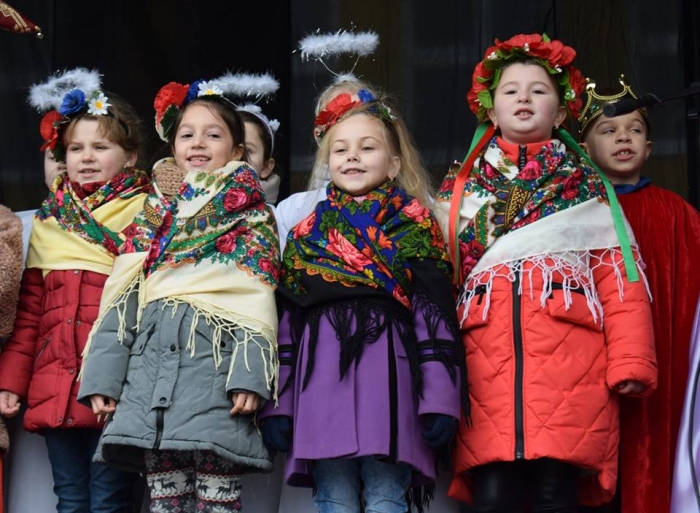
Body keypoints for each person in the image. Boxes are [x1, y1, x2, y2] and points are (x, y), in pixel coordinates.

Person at [434, 33, 658, 512]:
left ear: (560, 113)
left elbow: (620, 281)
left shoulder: (588, 190)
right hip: (484, 369)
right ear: (490, 112)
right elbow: (438, 281)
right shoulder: (458, 193)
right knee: (493, 495)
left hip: (572, 370)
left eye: (538, 90)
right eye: (511, 90)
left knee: (557, 494)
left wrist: (632, 361)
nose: (523, 98)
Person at [77, 78, 280, 513]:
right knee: (166, 501)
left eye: (213, 134)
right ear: (173, 146)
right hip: (151, 379)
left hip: (215, 381)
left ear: (238, 152)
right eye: (187, 134)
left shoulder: (251, 214)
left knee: (217, 502)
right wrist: (103, 378)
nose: (198, 143)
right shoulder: (152, 214)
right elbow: (123, 299)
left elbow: (254, 299)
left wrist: (250, 377)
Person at [259, 90, 464, 513]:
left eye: (367, 148)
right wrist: (279, 403)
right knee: (333, 498)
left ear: (393, 163)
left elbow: (435, 315)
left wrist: (441, 397)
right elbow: (287, 323)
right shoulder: (304, 235)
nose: (352, 157)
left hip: (391, 386)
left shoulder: (414, 224)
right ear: (326, 162)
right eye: (340, 149)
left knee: (388, 496)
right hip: (321, 387)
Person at [0, 70, 150, 513]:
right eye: (76, 148)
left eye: (101, 147)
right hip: (56, 385)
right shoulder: (49, 222)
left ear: (131, 156)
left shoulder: (149, 214)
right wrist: (10, 382)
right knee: (70, 498)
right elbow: (29, 315)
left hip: (119, 388)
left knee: (110, 499)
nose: (86, 157)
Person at [578, 76, 700, 513]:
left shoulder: (677, 213)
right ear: (585, 150)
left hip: (661, 364)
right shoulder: (573, 217)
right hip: (590, 368)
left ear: (649, 148)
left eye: (634, 130)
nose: (623, 137)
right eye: (608, 131)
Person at [238, 106, 281, 204]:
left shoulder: (275, 217)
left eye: (248, 150)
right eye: (231, 148)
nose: (238, 157)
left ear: (266, 167)